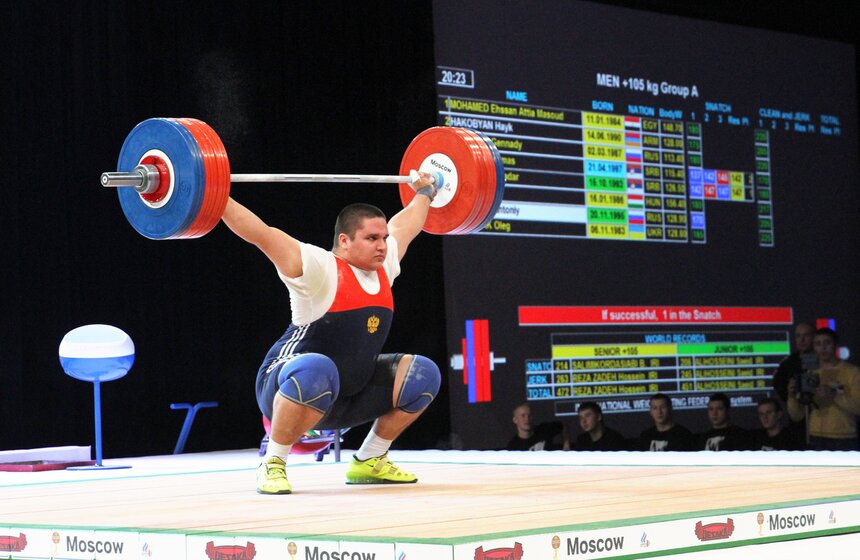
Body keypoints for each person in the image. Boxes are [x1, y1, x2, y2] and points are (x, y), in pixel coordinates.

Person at [221, 172, 442, 494]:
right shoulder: (317, 267)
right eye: (371, 239)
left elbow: (407, 224)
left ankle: (370, 459)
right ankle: (273, 463)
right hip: (286, 384)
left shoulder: (385, 263)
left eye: (383, 238)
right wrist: (214, 196)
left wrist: (426, 191)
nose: (382, 246)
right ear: (344, 241)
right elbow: (261, 234)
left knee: (422, 373)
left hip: (345, 395)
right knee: (319, 367)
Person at [787, 328, 860, 451]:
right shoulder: (810, 374)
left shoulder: (852, 372)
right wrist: (791, 396)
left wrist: (834, 395)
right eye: (818, 344)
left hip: (844, 437)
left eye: (827, 343)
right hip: (815, 437)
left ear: (835, 345)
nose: (823, 348)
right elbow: (797, 415)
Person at [772, 322, 815, 403]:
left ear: (814, 337)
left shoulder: (824, 359)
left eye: (806, 335)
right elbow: (778, 385)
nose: (802, 340)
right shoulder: (788, 363)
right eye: (798, 336)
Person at [505, 402, 570, 451]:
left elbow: (562, 426)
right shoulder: (513, 447)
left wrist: (566, 444)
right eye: (523, 416)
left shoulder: (544, 429)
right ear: (515, 420)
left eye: (529, 415)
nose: (527, 419)